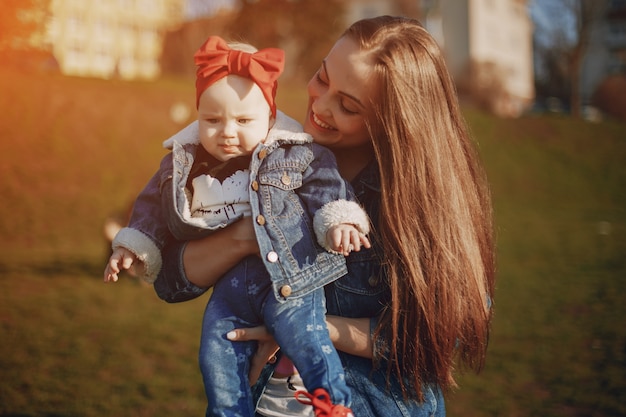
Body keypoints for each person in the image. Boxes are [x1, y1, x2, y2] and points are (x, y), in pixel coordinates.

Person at [155, 15, 496, 417]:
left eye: (348, 105)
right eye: (322, 77)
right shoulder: (267, 155)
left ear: (394, 123)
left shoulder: (415, 201)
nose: (320, 103)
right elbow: (171, 281)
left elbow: (442, 336)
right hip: (263, 403)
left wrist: (306, 328)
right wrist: (244, 238)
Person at [104, 36, 372, 417]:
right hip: (230, 292)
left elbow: (326, 187)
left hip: (289, 279)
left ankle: (332, 401)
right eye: (212, 120)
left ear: (269, 115)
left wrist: (339, 223)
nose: (227, 132)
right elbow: (150, 207)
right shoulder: (183, 164)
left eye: (244, 120)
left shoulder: (294, 153)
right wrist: (131, 245)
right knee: (217, 352)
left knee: (306, 334)